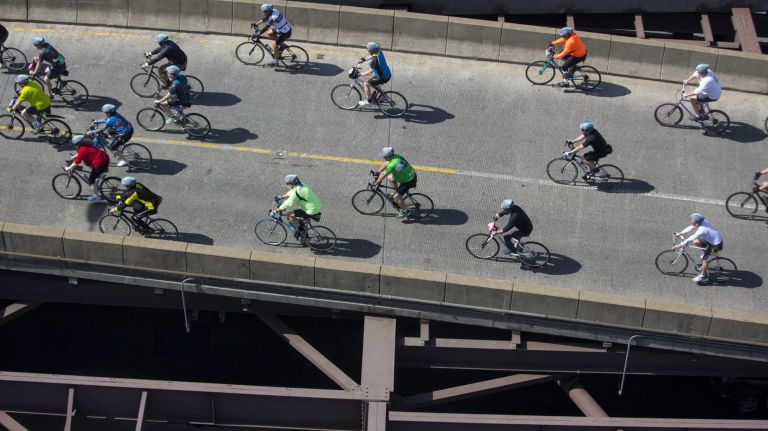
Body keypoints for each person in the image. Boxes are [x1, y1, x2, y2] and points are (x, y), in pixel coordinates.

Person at [673, 213, 723, 283]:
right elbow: (691, 227)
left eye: (692, 221)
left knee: (705, 260)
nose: (691, 222)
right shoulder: (703, 222)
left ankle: (703, 276)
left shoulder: (702, 229)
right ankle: (708, 254)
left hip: (716, 245)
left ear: (697, 223)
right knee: (696, 241)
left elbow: (691, 237)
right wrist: (680, 233)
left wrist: (679, 245)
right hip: (713, 239)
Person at [276, 174, 322, 239]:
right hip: (314, 205)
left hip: (311, 210)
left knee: (289, 215)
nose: (287, 185)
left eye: (287, 183)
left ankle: (301, 230)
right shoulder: (301, 184)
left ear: (291, 184)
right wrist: (281, 197)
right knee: (295, 213)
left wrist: (278, 209)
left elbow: (289, 202)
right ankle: (301, 225)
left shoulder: (298, 192)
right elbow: (292, 192)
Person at [65, 135, 110, 201]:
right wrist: (74, 156)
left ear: (79, 143)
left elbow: (76, 163)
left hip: (100, 164)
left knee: (91, 180)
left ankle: (96, 196)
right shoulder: (86, 145)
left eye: (75, 144)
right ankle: (100, 174)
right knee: (86, 163)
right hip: (104, 158)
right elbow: (81, 153)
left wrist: (68, 168)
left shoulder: (82, 150)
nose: (75, 146)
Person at [375, 147, 416, 218]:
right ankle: (396, 192)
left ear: (388, 156)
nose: (383, 158)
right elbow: (386, 163)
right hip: (408, 175)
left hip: (408, 181)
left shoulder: (393, 164)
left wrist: (376, 182)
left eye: (384, 156)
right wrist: (378, 171)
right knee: (390, 178)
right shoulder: (395, 156)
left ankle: (406, 211)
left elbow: (383, 174)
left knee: (396, 197)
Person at [358, 42, 391, 107]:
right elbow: (373, 55)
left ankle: (369, 101)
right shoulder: (378, 51)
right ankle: (383, 96)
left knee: (366, 83)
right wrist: (365, 59)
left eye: (368, 49)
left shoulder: (374, 60)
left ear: (371, 50)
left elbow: (370, 72)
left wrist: (360, 74)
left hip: (382, 77)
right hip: (387, 73)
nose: (367, 50)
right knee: (375, 86)